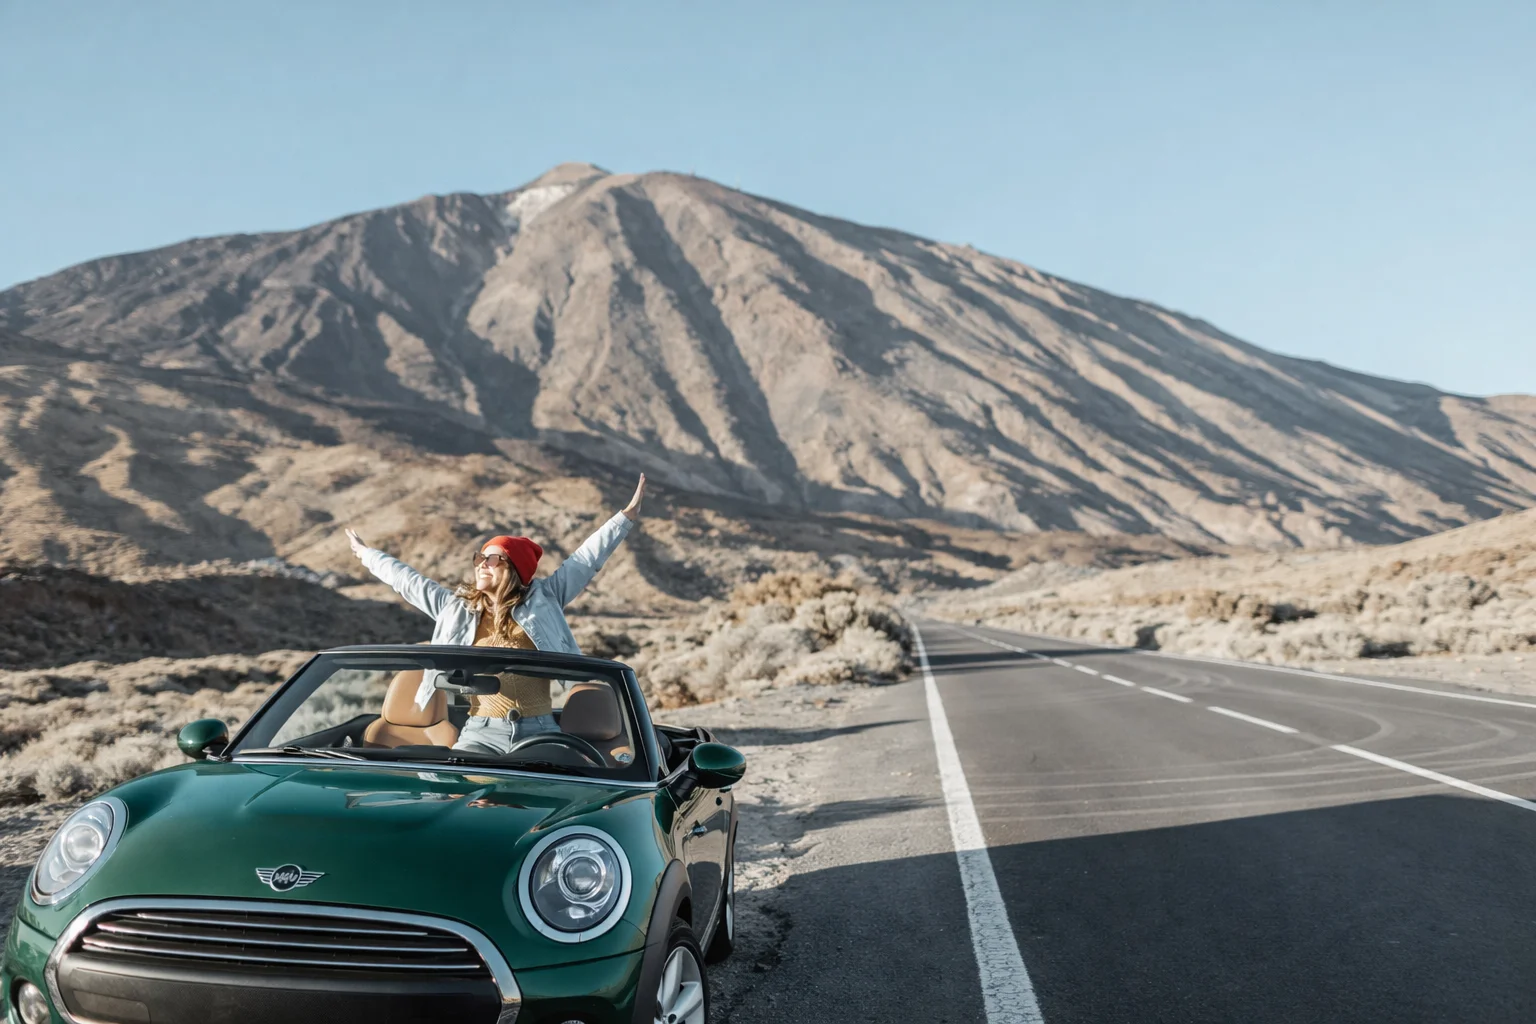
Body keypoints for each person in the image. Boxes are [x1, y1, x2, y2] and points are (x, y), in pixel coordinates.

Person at [344, 474, 646, 755]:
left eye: (491, 559)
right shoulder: (456, 608)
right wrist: (367, 554)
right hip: (481, 731)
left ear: (515, 568)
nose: (481, 564)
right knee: (458, 787)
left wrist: (625, 517)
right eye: (479, 558)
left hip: (540, 730)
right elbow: (408, 581)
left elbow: (585, 561)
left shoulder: (545, 599)